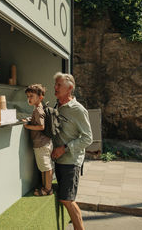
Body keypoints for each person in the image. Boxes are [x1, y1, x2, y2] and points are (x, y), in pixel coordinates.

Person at [51, 72, 93, 230]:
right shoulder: (57, 106)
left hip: (71, 161)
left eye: (58, 85)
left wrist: (65, 148)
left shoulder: (78, 110)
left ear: (70, 88)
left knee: (68, 200)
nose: (55, 87)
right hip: (59, 160)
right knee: (64, 199)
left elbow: (88, 138)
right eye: (55, 84)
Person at [24, 84, 54, 196]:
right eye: (28, 96)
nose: (29, 99)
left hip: (41, 144)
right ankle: (45, 186)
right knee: (43, 167)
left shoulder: (38, 110)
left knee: (46, 167)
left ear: (40, 97)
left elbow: (41, 127)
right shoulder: (38, 109)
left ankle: (48, 189)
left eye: (31, 96)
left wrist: (28, 126)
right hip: (43, 143)